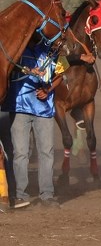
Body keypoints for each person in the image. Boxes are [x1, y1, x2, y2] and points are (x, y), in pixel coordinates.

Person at [2, 38, 70, 208]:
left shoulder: (53, 50)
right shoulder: (17, 48)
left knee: (46, 153)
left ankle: (47, 195)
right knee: (20, 153)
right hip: (19, 107)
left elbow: (61, 73)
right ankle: (20, 195)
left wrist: (48, 89)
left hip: (44, 109)